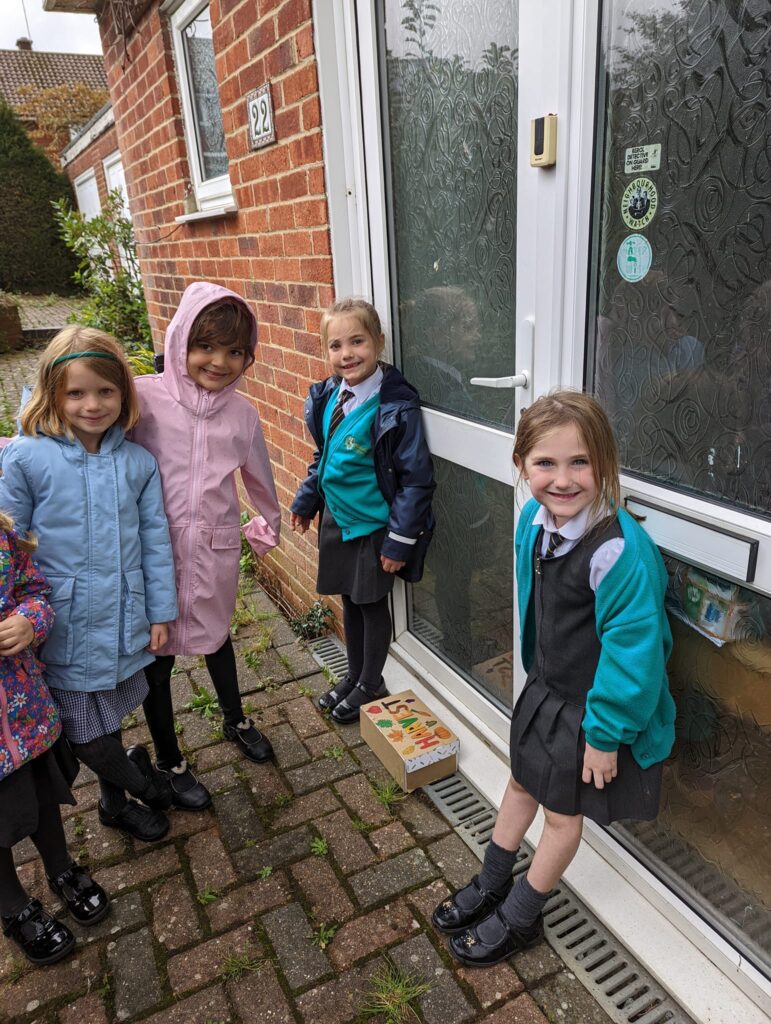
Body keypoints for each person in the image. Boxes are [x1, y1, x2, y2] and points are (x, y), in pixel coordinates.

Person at [433, 390, 675, 967]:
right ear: (521, 466)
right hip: (545, 690)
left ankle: (521, 916)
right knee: (520, 783)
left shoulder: (618, 553)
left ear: (605, 465)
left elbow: (635, 653)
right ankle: (493, 879)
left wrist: (604, 733)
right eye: (545, 463)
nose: (562, 480)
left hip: (591, 708)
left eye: (580, 463)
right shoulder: (532, 523)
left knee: (562, 818)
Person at [0, 327, 178, 845]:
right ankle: (151, 787)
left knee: (106, 718)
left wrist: (160, 612)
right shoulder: (28, 458)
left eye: (105, 391)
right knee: (86, 737)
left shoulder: (138, 463)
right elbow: (8, 544)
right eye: (76, 393)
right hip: (59, 622)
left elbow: (154, 541)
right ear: (53, 393)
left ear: (124, 392)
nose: (92, 404)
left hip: (122, 616)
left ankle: (113, 803)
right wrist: (18, 616)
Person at [132, 283, 281, 811]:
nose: (220, 362)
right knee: (159, 659)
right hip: (152, 557)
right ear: (179, 343)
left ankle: (235, 717)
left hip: (214, 551)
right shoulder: (142, 398)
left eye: (235, 351)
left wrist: (269, 522)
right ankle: (170, 759)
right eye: (206, 346)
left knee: (217, 639)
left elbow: (259, 476)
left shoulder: (241, 415)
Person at [290, 297, 435, 722]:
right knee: (349, 601)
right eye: (336, 345)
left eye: (357, 341)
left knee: (372, 605)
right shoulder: (329, 396)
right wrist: (306, 499)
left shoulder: (395, 406)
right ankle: (355, 675)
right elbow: (326, 456)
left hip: (374, 528)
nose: (346, 353)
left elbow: (416, 480)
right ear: (326, 352)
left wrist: (399, 540)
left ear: (379, 342)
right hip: (337, 521)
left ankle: (373, 682)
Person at [0, 511, 110, 964]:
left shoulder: (3, 536)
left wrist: (30, 620)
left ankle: (61, 868)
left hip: (23, 713)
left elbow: (34, 590)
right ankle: (12, 906)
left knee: (43, 797)